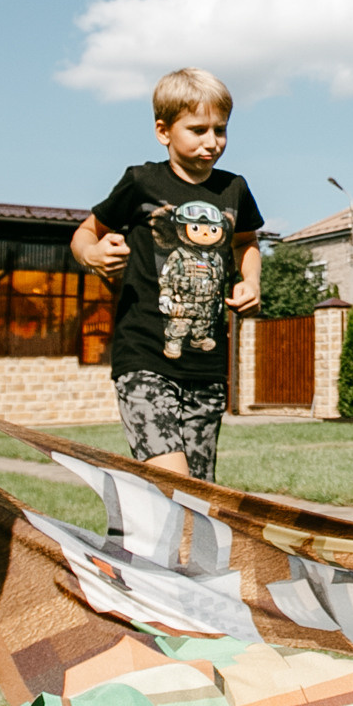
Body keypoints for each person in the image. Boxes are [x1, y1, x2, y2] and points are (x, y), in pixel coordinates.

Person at [71, 67, 263, 482]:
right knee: (174, 488)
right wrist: (94, 254)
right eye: (197, 130)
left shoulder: (235, 190)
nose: (212, 142)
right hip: (144, 359)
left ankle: (132, 543)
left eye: (220, 130)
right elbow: (85, 234)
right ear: (164, 131)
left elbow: (246, 242)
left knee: (199, 496)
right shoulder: (141, 182)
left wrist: (252, 281)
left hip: (206, 368)